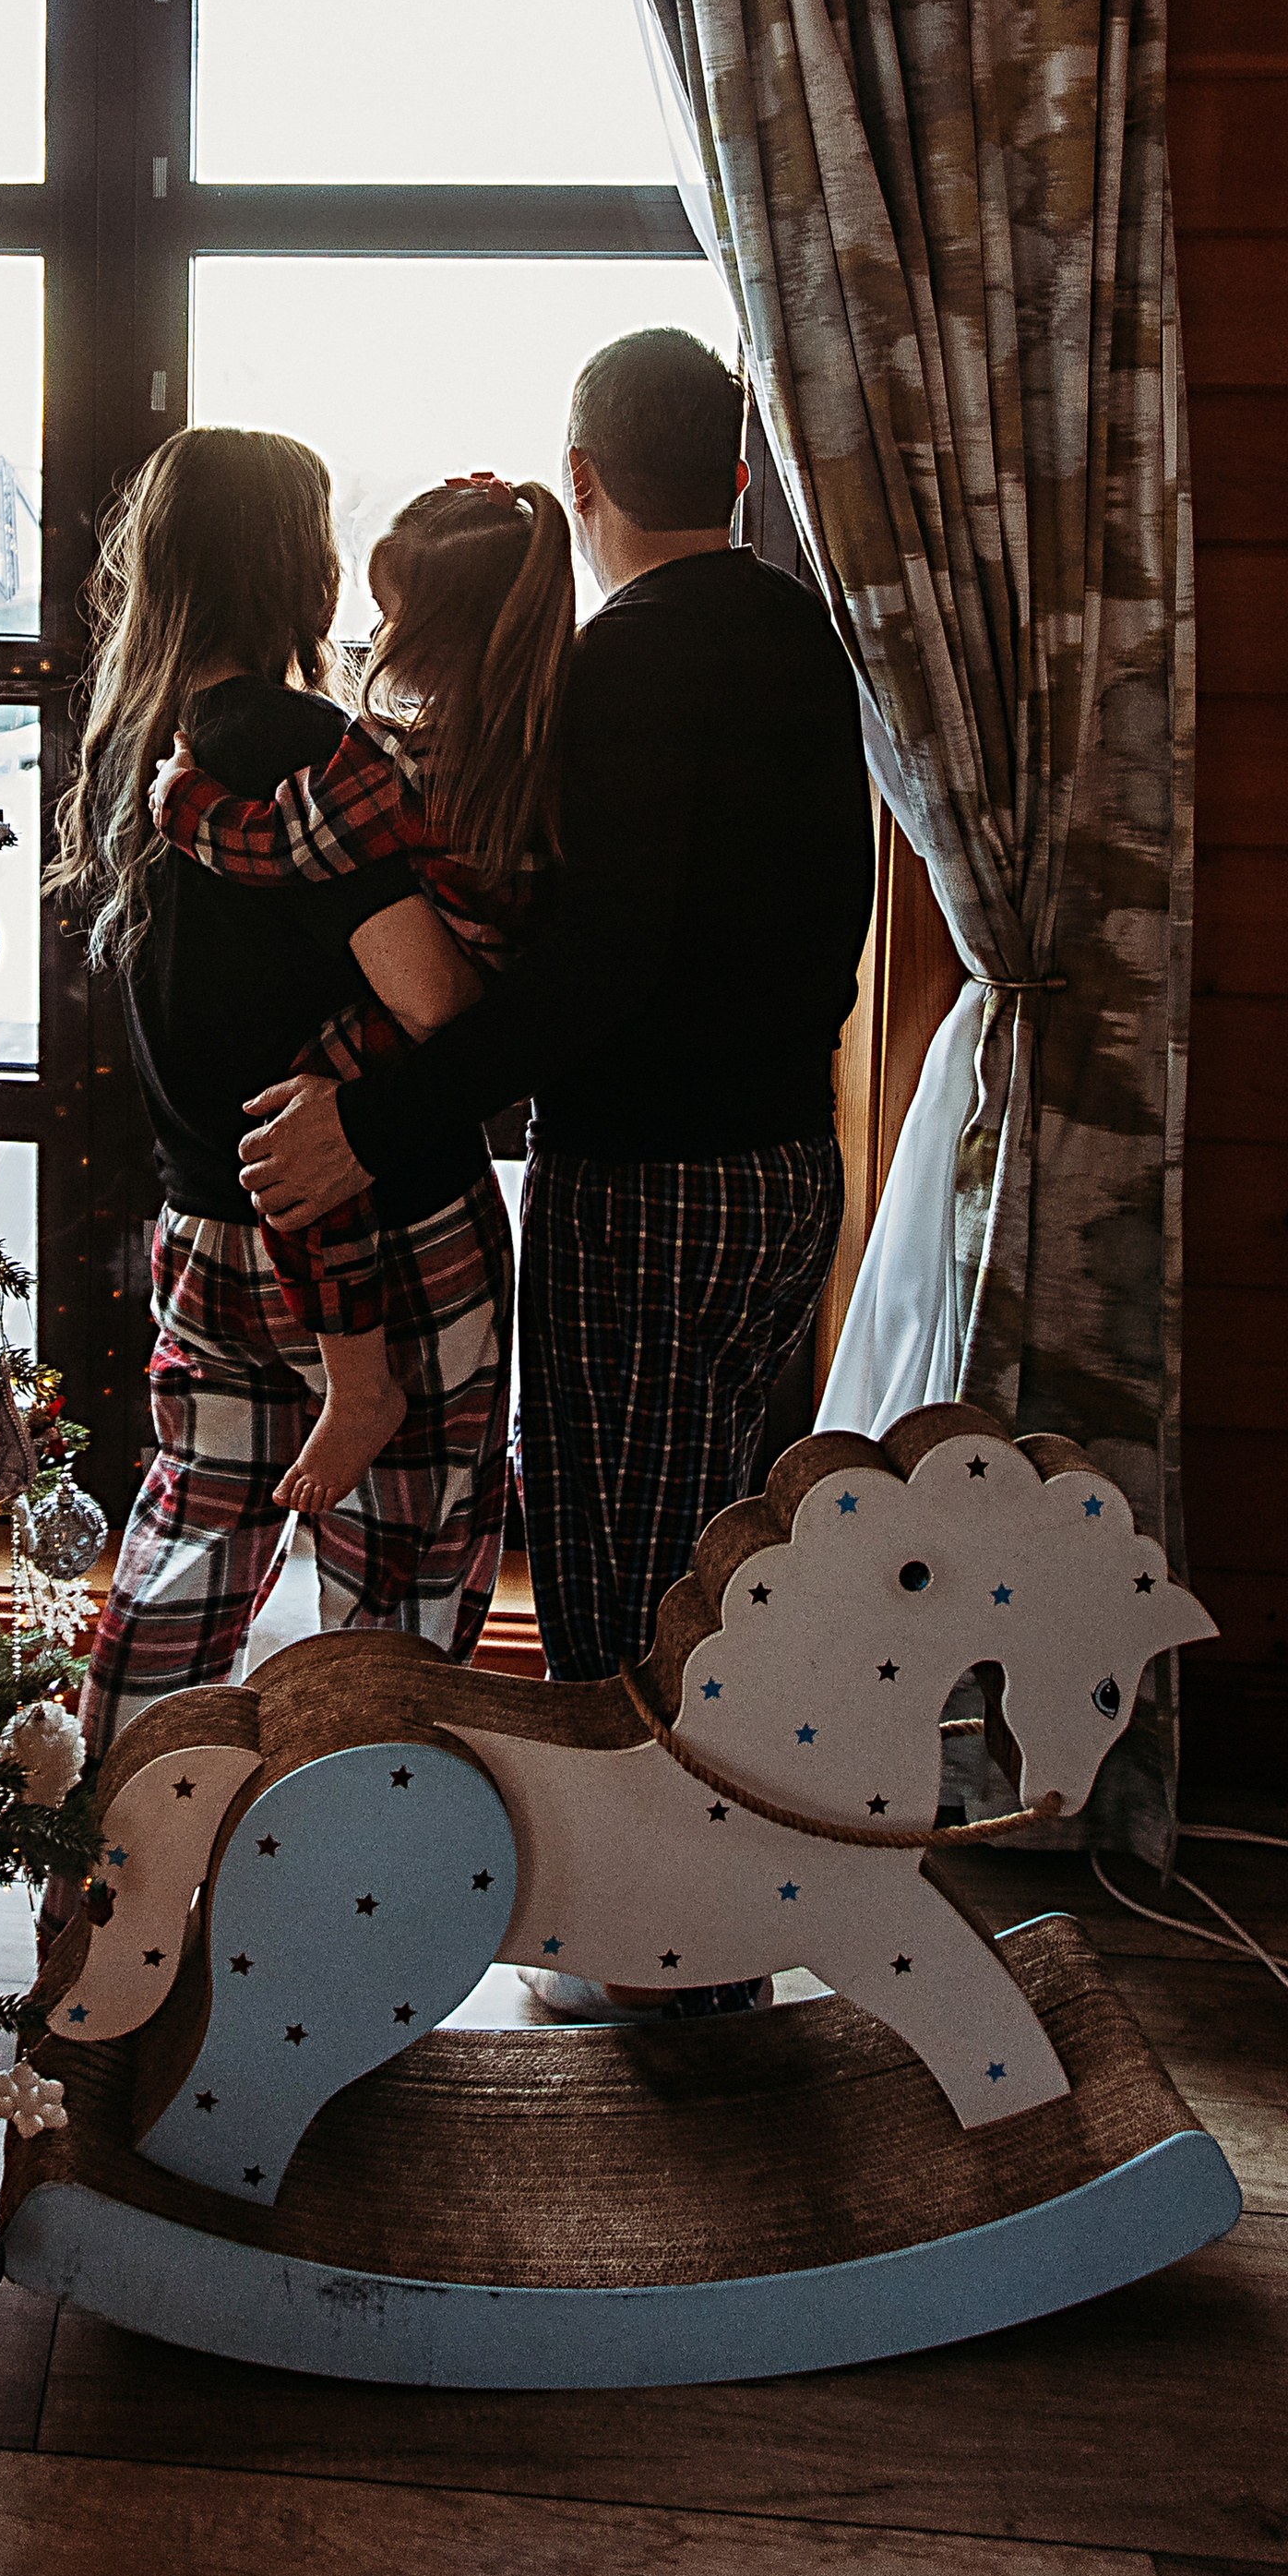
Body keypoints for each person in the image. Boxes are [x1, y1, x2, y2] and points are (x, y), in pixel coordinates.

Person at [237, 330, 875, 1722]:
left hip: (650, 1189)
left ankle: (665, 1934)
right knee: (710, 1565)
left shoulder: (627, 668)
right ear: (741, 470)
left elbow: (600, 969)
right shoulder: (805, 641)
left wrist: (369, 1121)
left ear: (582, 474)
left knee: (619, 1602)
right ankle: (702, 1918)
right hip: (787, 1177)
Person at [46, 426, 516, 1768]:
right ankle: (358, 1908)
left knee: (186, 1558)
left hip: (204, 1231)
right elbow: (433, 1001)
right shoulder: (287, 742)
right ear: (295, 569)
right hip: (382, 1218)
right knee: (397, 1596)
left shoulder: (134, 737)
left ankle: (123, 1883)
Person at [147, 473, 572, 1515]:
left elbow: (281, 844)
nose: (370, 630)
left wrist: (185, 801)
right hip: (482, 1011)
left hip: (256, 1170)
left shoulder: (370, 759)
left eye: (390, 613)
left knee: (313, 1130)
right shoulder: (535, 730)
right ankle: (360, 1386)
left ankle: (361, 1383)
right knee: (406, 1576)